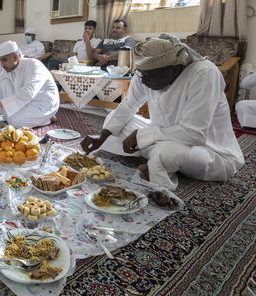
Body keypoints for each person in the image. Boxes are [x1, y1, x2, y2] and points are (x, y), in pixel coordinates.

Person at [80, 35, 244, 190]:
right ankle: (156, 161)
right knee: (114, 124)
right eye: (141, 74)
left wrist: (141, 137)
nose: (143, 81)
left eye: (149, 77)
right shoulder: (148, 70)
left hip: (208, 150)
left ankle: (159, 182)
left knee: (166, 152)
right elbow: (129, 105)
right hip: (163, 135)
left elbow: (194, 133)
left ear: (173, 70)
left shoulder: (204, 73)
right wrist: (102, 135)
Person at [0, 41, 59, 128]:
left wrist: (1, 104)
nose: (1, 65)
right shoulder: (8, 69)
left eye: (4, 60)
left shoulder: (34, 65)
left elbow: (28, 93)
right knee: (3, 83)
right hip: (25, 103)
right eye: (0, 61)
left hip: (42, 104)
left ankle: (48, 118)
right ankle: (34, 118)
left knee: (14, 121)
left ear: (16, 57)